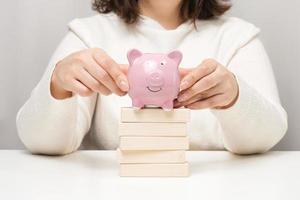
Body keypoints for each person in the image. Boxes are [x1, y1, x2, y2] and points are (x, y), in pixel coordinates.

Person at [16, 0, 288, 155]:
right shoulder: (88, 35)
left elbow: (266, 137)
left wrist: (234, 97)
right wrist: (58, 85)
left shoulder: (237, 38)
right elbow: (41, 143)